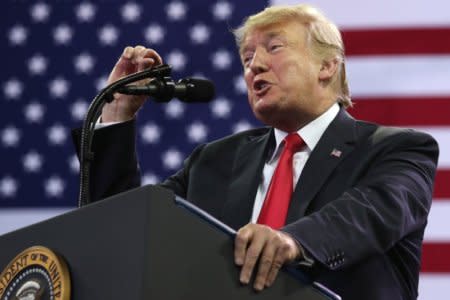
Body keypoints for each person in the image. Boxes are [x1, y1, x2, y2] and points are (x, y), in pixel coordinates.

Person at [79, 4, 439, 300]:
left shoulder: (397, 149)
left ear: (328, 65)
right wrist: (116, 114)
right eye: (247, 57)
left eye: (275, 47)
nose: (255, 66)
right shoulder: (212, 161)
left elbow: (368, 213)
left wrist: (291, 240)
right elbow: (129, 231)